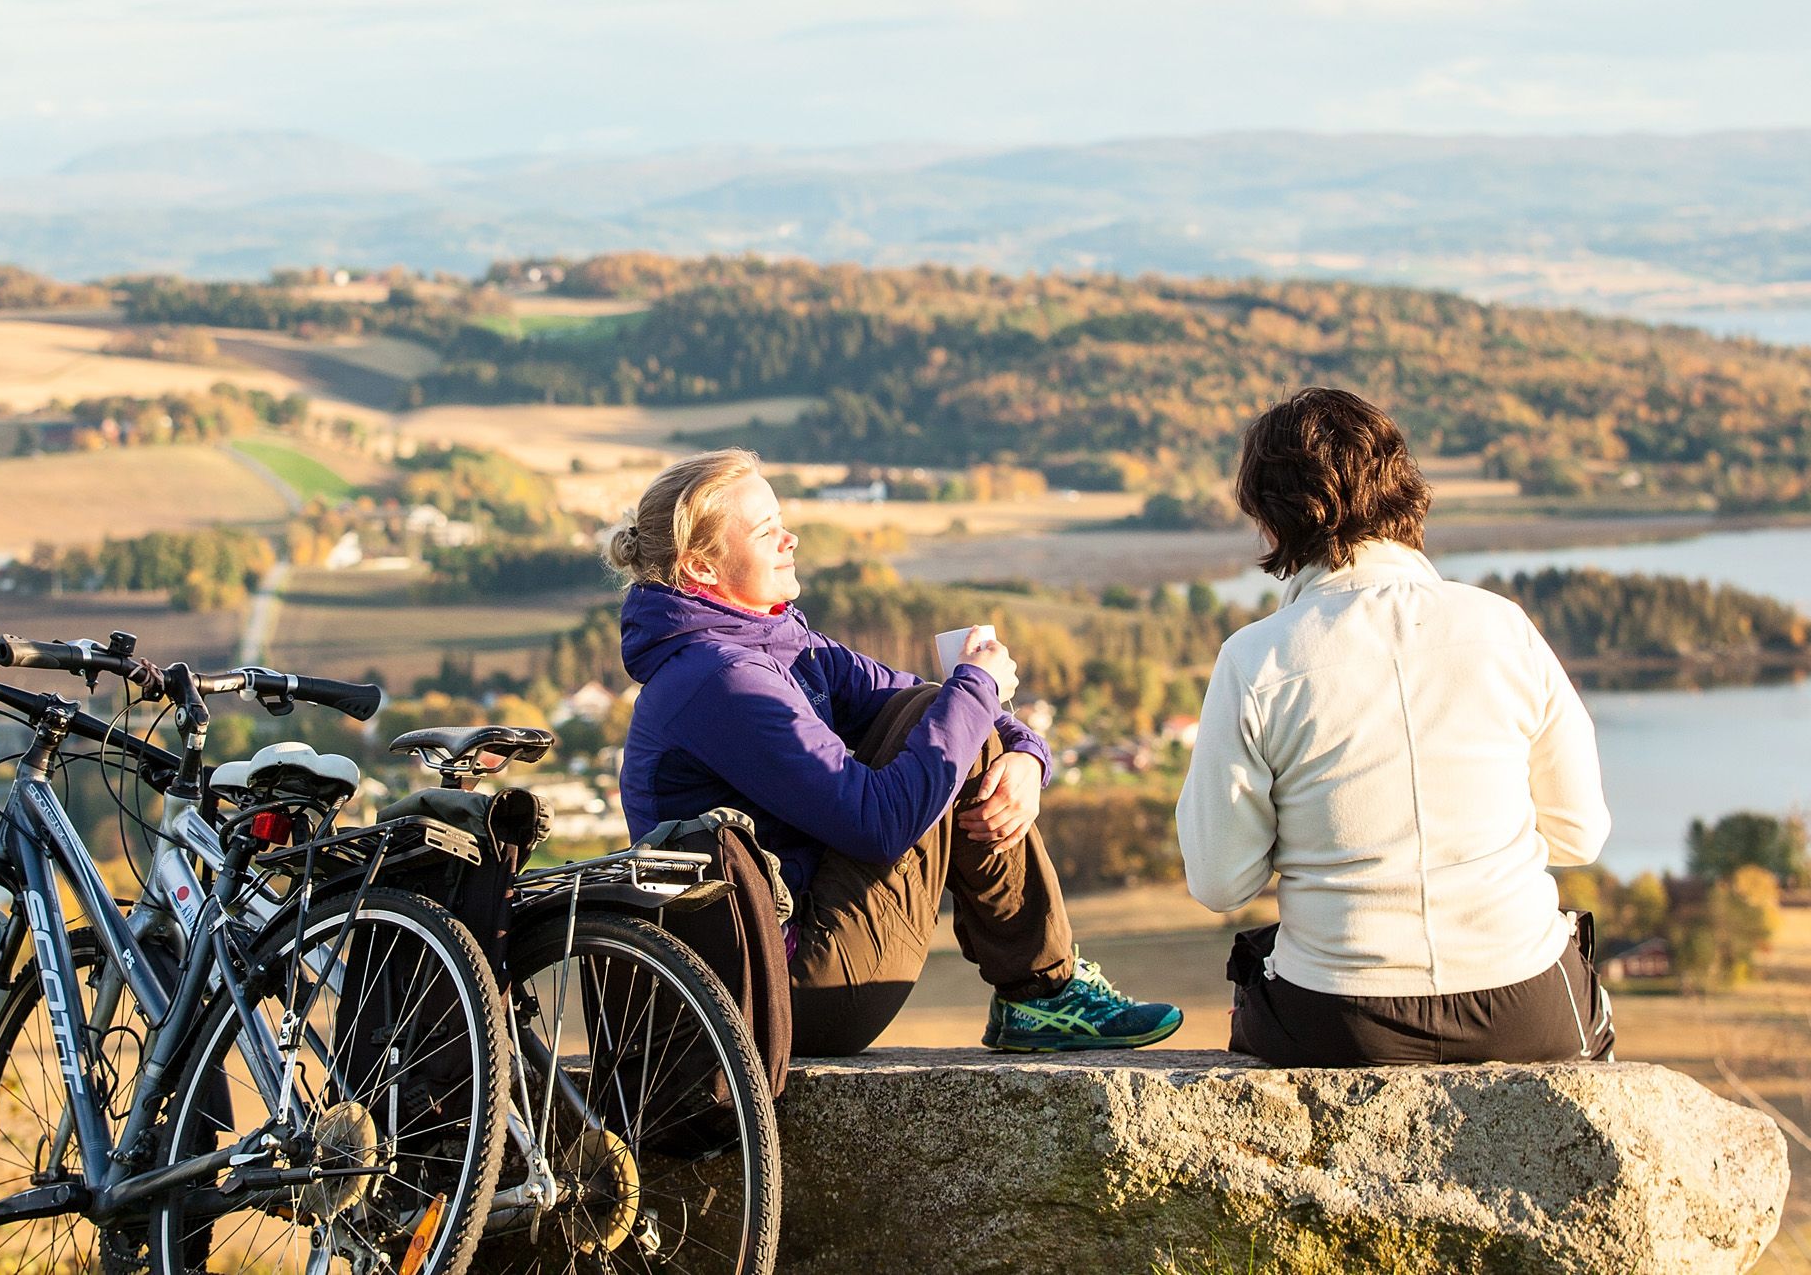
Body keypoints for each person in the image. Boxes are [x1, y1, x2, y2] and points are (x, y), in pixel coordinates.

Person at [609, 449, 1184, 1055]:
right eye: (765, 530)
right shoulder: (720, 678)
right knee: (949, 716)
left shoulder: (775, 641)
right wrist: (979, 688)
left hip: (785, 970)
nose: (790, 538)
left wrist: (1025, 754)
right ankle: (1041, 990)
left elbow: (915, 699)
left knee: (940, 710)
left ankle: (1041, 991)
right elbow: (877, 825)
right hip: (781, 996)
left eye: (782, 520)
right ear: (701, 565)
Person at [1177, 388, 1616, 1067]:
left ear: (1271, 521)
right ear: (1405, 491)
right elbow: (1579, 833)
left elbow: (1218, 882)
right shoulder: (1503, 628)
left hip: (1340, 1019)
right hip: (1527, 1007)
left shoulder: (1256, 659)